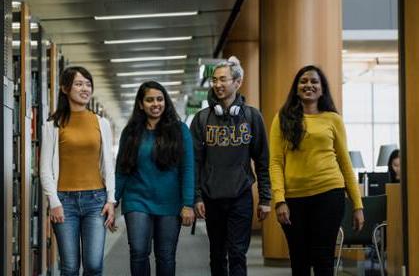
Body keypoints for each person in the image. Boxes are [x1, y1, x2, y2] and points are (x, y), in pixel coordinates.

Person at [269, 65, 365, 276]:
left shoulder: (333, 119)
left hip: (329, 195)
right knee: (299, 260)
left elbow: (345, 163)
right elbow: (275, 163)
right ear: (296, 88)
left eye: (314, 81)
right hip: (293, 199)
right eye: (303, 81)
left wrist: (357, 205)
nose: (309, 85)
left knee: (323, 260)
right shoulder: (282, 119)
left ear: (322, 89)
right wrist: (279, 200)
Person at [190, 56, 271, 276]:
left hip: (241, 196)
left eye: (223, 79)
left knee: (237, 254)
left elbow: (263, 160)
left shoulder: (252, 117)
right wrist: (196, 197)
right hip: (211, 197)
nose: (217, 84)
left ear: (237, 82)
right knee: (217, 254)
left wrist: (265, 198)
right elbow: (194, 163)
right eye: (214, 80)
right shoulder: (201, 119)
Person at [40, 66, 116, 276]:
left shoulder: (101, 123)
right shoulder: (52, 125)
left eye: (88, 84)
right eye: (79, 84)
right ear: (65, 88)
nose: (85, 88)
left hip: (96, 201)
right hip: (64, 202)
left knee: (93, 265)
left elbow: (109, 165)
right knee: (70, 267)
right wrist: (54, 202)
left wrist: (111, 199)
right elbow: (45, 168)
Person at [115, 81, 195, 276]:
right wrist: (113, 200)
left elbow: (188, 168)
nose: (155, 104)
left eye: (160, 99)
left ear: (165, 102)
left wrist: (188, 203)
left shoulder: (180, 130)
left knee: (166, 255)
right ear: (141, 104)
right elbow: (122, 170)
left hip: (170, 202)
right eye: (149, 100)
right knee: (138, 252)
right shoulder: (131, 132)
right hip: (137, 200)